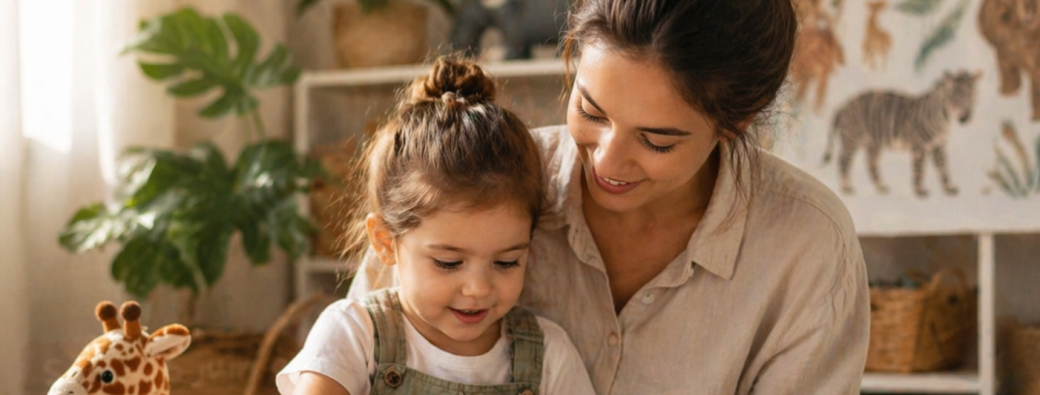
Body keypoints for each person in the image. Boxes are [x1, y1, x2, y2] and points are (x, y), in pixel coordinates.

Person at [349, 0, 871, 393]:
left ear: (738, 120)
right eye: (591, 111)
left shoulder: (808, 244)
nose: (605, 162)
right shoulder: (467, 181)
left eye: (656, 140)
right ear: (572, 57)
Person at [276, 56, 596, 395]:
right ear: (385, 241)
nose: (478, 288)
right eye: (448, 262)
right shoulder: (354, 335)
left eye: (506, 262)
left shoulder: (549, 356)